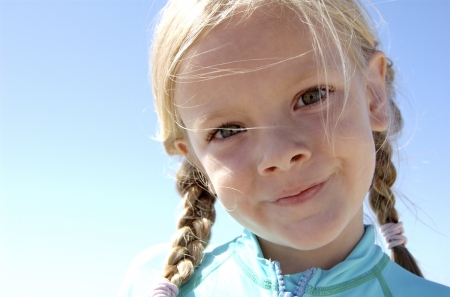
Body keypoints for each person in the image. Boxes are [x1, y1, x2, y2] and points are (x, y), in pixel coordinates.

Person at [119, 0, 450, 296]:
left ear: (373, 95)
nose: (278, 154)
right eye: (228, 130)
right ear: (195, 159)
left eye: (312, 96)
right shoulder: (153, 285)